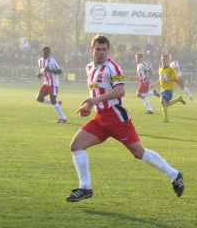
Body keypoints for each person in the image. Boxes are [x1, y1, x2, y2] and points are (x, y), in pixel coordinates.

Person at [66, 35, 184, 202]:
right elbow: (96, 91)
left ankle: (174, 174)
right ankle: (85, 187)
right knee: (76, 146)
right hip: (100, 118)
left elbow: (120, 91)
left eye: (104, 49)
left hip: (116, 117)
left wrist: (96, 101)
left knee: (138, 152)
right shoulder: (89, 67)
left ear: (108, 50)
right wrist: (90, 105)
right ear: (92, 50)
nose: (101, 52)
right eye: (98, 49)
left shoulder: (112, 67)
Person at [151, 54, 186, 123]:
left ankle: (165, 119)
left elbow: (176, 78)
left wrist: (168, 80)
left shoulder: (171, 69)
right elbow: (160, 80)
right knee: (165, 104)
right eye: (162, 59)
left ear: (167, 60)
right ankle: (178, 99)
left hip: (169, 88)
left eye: (165, 59)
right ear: (161, 60)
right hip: (162, 88)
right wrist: (153, 85)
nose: (163, 60)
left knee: (162, 101)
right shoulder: (160, 69)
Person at [36, 47, 67, 123]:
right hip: (46, 82)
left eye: (48, 52)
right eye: (45, 52)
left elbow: (60, 71)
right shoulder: (40, 61)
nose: (46, 53)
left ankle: (63, 118)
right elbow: (42, 71)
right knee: (39, 98)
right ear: (42, 52)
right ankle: (57, 103)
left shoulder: (52, 61)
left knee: (53, 99)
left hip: (53, 82)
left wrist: (50, 70)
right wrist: (40, 75)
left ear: (50, 53)